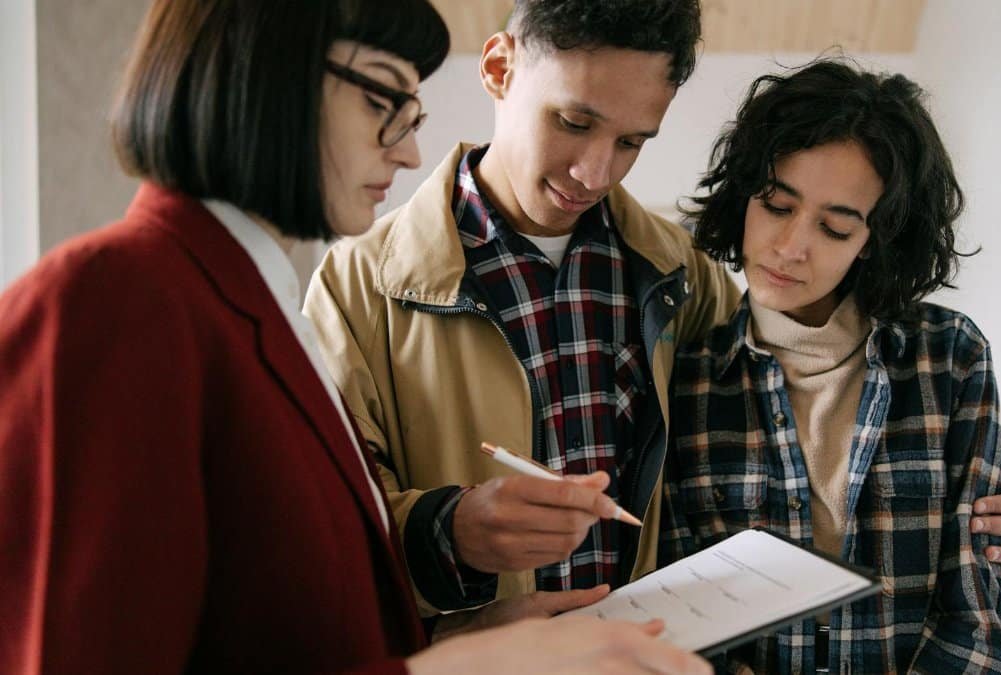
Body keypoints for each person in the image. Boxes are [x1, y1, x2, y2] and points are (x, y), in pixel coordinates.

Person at [0, 1, 712, 673]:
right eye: (380, 102)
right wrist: (455, 658)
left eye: (630, 142)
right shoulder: (109, 297)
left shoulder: (257, 307)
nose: (407, 151)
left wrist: (466, 642)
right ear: (265, 76)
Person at [304, 0, 1001, 617]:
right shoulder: (354, 291)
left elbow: (779, 439)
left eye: (631, 141)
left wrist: (956, 491)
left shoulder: (681, 276)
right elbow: (318, 539)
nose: (596, 172)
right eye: (574, 122)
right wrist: (451, 531)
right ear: (498, 69)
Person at [658, 59, 1001, 673]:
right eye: (776, 205)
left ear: (873, 239)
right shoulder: (688, 379)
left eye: (834, 227)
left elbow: (975, 614)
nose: (791, 248)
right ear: (745, 193)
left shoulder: (950, 356)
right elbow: (682, 614)